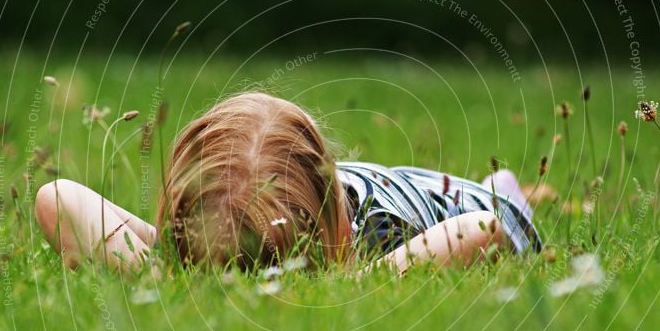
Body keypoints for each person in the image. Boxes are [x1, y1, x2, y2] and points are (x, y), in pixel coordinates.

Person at [34, 92, 540, 273]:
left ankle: (508, 183)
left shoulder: (379, 232)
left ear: (334, 234)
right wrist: (155, 268)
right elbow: (57, 197)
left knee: (500, 194)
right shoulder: (198, 238)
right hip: (375, 183)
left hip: (456, 200)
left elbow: (486, 226)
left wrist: (366, 278)